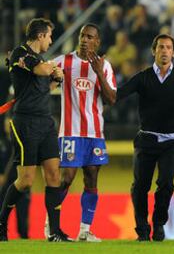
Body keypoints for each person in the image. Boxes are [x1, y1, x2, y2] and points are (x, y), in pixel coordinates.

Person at [117, 34, 174, 242]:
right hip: (147, 141)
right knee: (141, 186)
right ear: (154, 51)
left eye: (169, 47)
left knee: (166, 183)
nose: (165, 51)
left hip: (171, 142)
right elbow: (117, 94)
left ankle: (158, 224)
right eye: (161, 47)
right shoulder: (142, 77)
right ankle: (142, 228)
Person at [0, 18, 70, 242]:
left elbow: (43, 87)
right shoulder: (20, 54)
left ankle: (55, 232)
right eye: (49, 36)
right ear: (40, 35)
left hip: (46, 122)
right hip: (25, 122)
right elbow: (41, 70)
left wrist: (56, 80)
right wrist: (54, 69)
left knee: (53, 175)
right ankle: (1, 223)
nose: (51, 40)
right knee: (26, 180)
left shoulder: (38, 60)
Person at [49, 23, 116, 242]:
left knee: (92, 178)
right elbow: (42, 74)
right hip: (70, 131)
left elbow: (112, 99)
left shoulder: (104, 67)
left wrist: (99, 73)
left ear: (98, 42)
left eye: (90, 37)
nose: (85, 40)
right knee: (66, 178)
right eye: (82, 35)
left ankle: (85, 231)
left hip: (95, 133)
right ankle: (51, 225)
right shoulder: (63, 61)